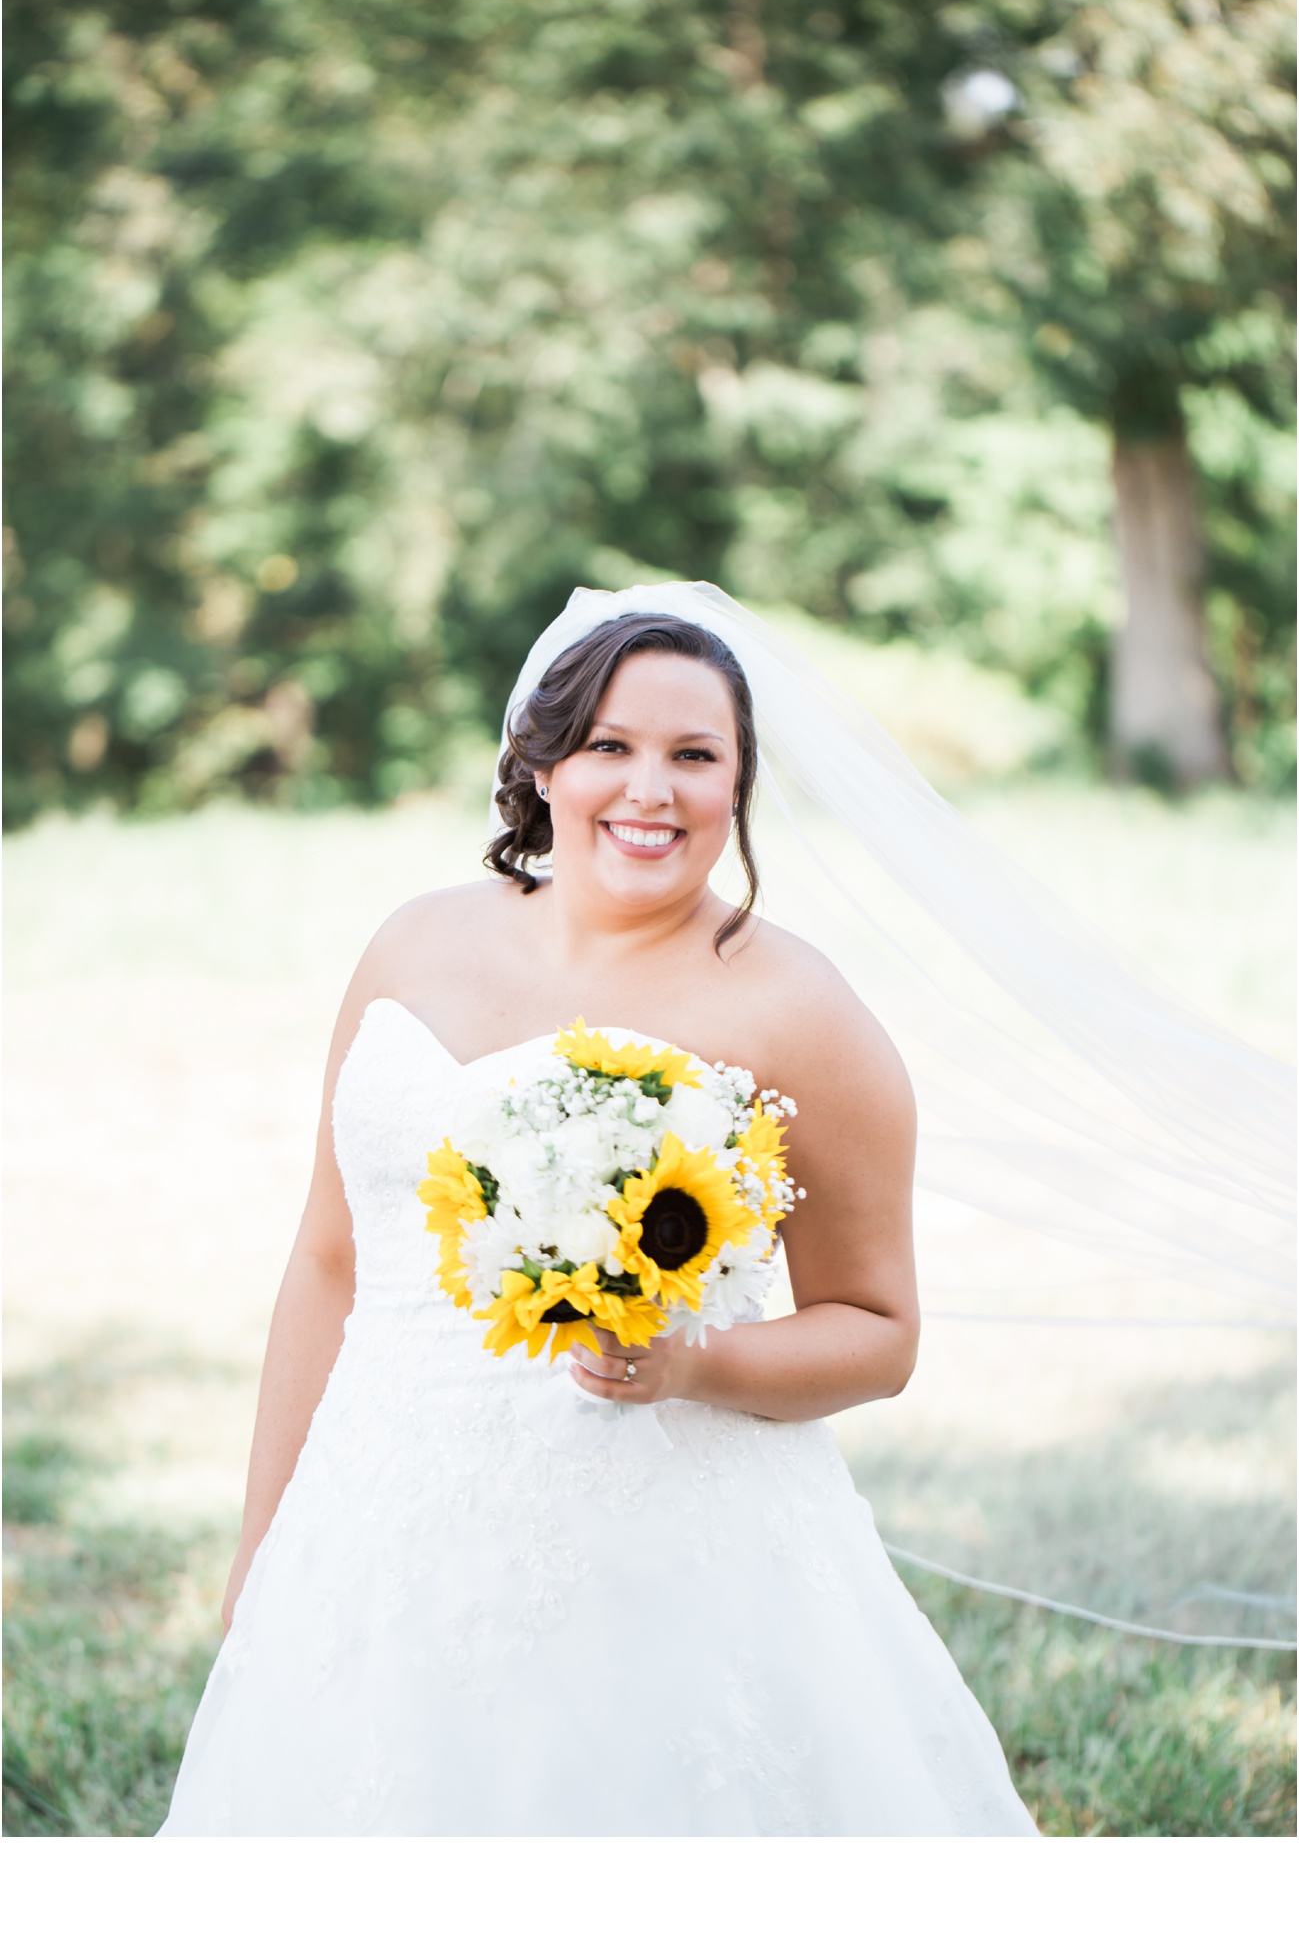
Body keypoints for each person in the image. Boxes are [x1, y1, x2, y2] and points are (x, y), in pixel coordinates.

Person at [159, 602, 1040, 1835]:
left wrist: (694, 1359)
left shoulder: (799, 1011)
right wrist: (266, 1540)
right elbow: (326, 1262)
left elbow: (880, 1329)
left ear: (740, 785)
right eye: (610, 745)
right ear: (541, 760)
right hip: (377, 1534)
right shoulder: (411, 944)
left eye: (696, 756)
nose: (651, 789)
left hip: (664, 1556)